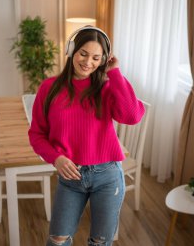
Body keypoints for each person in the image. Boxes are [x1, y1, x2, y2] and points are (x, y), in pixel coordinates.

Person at [28, 26, 145, 246]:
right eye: (83, 53)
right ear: (71, 49)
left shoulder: (107, 87)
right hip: (70, 177)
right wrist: (57, 158)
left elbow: (132, 116)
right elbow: (36, 134)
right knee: (57, 240)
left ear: (103, 60)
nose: (87, 62)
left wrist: (115, 73)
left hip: (108, 176)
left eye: (95, 57)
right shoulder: (49, 88)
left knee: (100, 242)